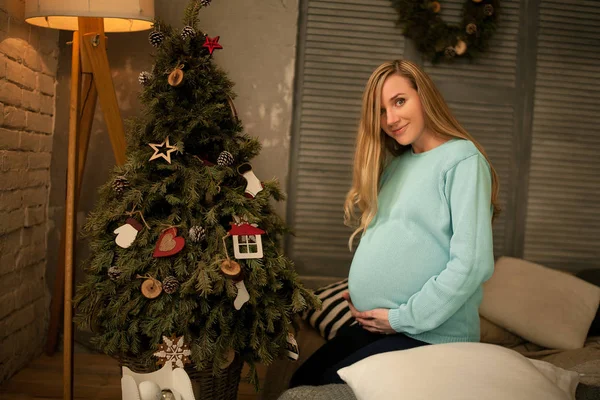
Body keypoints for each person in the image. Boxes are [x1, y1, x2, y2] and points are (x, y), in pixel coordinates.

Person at [289, 59, 501, 388]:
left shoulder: (463, 160)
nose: (391, 119)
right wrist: (366, 289)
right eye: (381, 110)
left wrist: (400, 317)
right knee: (301, 380)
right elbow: (401, 239)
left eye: (399, 101)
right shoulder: (398, 165)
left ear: (424, 96)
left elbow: (472, 263)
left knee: (316, 393)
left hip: (429, 335)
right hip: (380, 324)